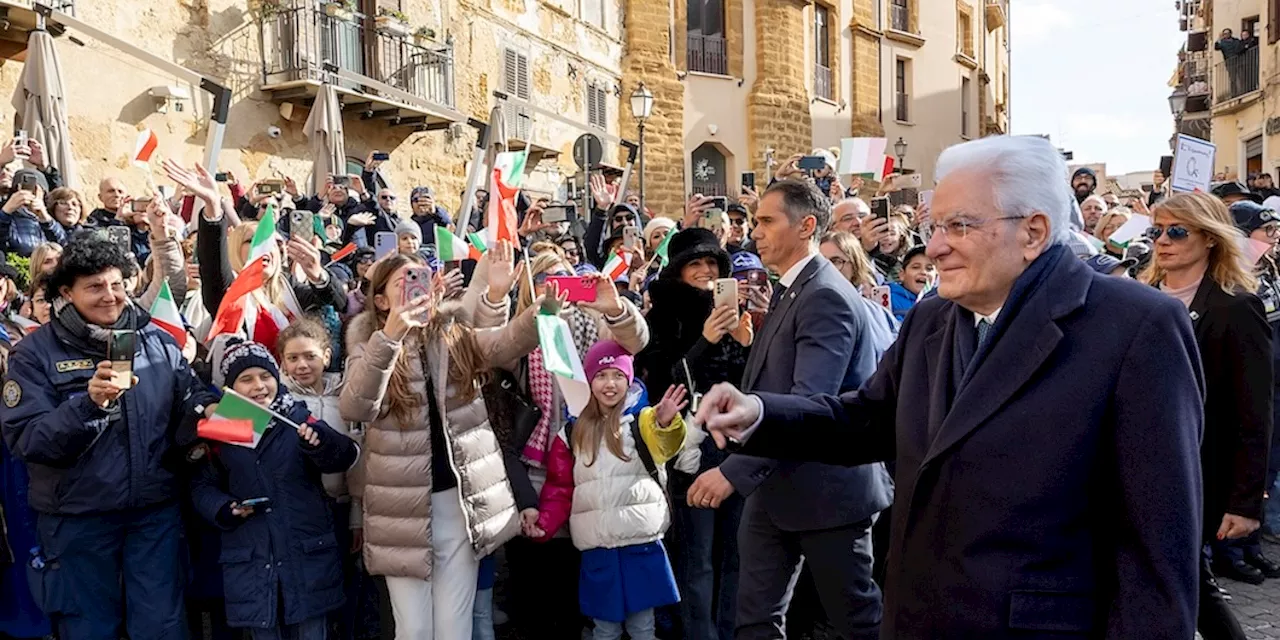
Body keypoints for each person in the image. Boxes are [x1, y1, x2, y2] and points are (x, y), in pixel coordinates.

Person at [693, 135, 1204, 638]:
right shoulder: (932, 319)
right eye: (937, 226)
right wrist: (760, 414)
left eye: (958, 226)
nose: (934, 247)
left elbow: (1157, 548)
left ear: (1033, 232)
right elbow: (865, 421)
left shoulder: (1135, 326)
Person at [688, 179, 891, 640]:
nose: (755, 231)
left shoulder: (825, 296)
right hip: (774, 492)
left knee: (858, 622)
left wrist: (732, 473)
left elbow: (806, 405)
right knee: (755, 621)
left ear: (807, 226)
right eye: (755, 221)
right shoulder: (792, 288)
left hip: (829, 496)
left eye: (766, 221)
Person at [1, 234, 219, 640]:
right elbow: (27, 439)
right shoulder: (35, 354)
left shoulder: (155, 341)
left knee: (163, 627)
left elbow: (189, 396)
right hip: (78, 519)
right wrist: (88, 405)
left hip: (153, 514)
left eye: (117, 284)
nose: (110, 296)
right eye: (95, 286)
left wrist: (206, 407)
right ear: (67, 292)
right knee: (89, 629)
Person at [339, 245, 546, 640]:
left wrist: (533, 311)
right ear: (380, 299)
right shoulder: (368, 346)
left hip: (457, 503)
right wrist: (392, 337)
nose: (418, 288)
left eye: (422, 277)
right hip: (400, 512)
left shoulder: (454, 333)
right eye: (405, 282)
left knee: (455, 628)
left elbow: (505, 343)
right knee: (414, 630)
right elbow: (356, 406)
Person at [1138, 193, 1272, 638]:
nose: (1163, 241)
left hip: (1196, 470)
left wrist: (1244, 501)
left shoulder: (1235, 306)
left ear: (1210, 238)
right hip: (1133, 467)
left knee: (1190, 582)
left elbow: (1253, 411)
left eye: (1177, 231)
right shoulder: (1137, 299)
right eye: (1156, 231)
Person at [190, 339, 359, 640]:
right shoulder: (222, 429)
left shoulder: (296, 416)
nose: (259, 386)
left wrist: (319, 442)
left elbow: (344, 455)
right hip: (252, 564)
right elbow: (201, 486)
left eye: (266, 376)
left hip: (305, 562)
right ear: (230, 388)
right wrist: (224, 509)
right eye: (246, 379)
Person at [635, 228, 751, 640]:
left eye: (712, 264)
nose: (705, 271)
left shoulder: (739, 312)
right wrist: (705, 341)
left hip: (738, 448)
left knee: (736, 554)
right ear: (679, 271)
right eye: (695, 264)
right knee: (697, 556)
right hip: (691, 451)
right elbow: (664, 384)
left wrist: (746, 341)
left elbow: (754, 387)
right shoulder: (662, 315)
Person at [531, 341, 688, 640]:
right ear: (589, 381)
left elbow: (667, 444)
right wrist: (545, 523)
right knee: (604, 629)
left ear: (629, 379)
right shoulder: (571, 432)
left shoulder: (643, 421)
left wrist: (667, 423)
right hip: (597, 545)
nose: (610, 383)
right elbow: (559, 486)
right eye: (601, 375)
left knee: (642, 628)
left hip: (640, 542)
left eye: (617, 375)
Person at [888, 245, 935, 322]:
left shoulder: (943, 302)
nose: (923, 272)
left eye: (929, 268)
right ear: (902, 275)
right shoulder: (889, 298)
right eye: (916, 267)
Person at [408, 187, 453, 252]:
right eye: (416, 200)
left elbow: (448, 225)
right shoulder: (409, 224)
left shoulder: (439, 219)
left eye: (426, 199)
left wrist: (435, 212)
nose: (421, 203)